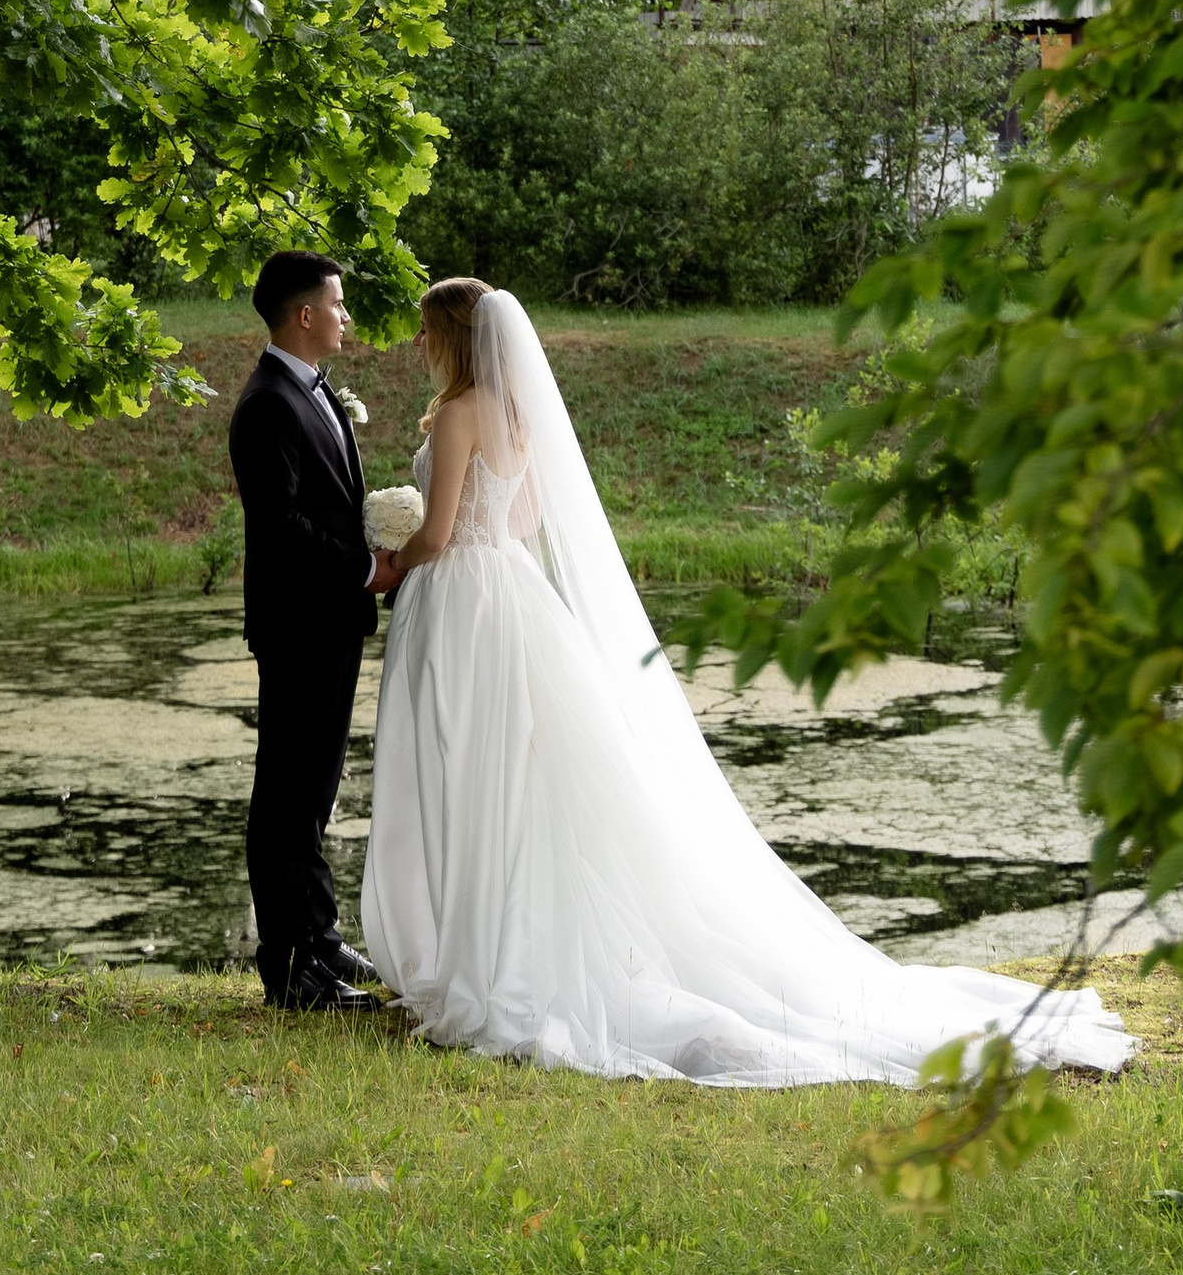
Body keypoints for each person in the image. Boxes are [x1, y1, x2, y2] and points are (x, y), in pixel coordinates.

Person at [362, 276, 1136, 1087]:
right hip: (512, 594)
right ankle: (502, 953)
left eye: (426, 331)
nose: (419, 345)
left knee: (467, 770)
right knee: (518, 780)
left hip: (466, 602)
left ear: (453, 336)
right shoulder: (518, 416)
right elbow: (521, 521)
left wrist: (393, 558)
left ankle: (484, 962)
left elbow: (441, 534)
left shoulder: (459, 413)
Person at [229, 249, 402, 1013]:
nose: (346, 317)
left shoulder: (315, 389)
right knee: (288, 796)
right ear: (305, 314)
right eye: (337, 305)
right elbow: (282, 528)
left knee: (315, 791)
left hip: (327, 622)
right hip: (299, 623)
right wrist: (366, 568)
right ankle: (291, 967)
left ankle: (319, 939)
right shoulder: (268, 402)